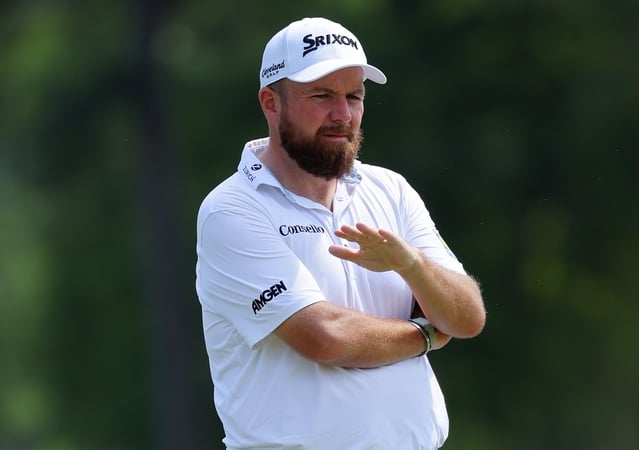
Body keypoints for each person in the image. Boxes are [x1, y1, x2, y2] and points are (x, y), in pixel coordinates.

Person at [195, 17, 486, 450]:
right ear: (271, 102)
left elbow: (467, 317)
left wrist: (411, 265)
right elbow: (325, 337)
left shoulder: (391, 189)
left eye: (354, 96)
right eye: (322, 96)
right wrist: (425, 333)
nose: (343, 114)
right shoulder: (232, 210)